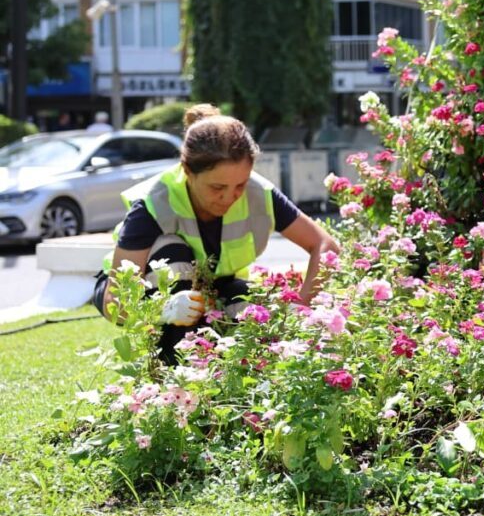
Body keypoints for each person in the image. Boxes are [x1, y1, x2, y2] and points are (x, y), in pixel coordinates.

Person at [91, 104, 340, 362]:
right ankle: (179, 378)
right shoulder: (153, 204)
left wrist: (302, 305)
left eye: (239, 185)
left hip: (214, 287)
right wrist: (163, 311)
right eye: (217, 187)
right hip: (143, 290)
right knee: (174, 260)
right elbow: (114, 302)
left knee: (255, 319)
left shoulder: (259, 193)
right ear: (188, 171)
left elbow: (325, 246)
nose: (228, 197)